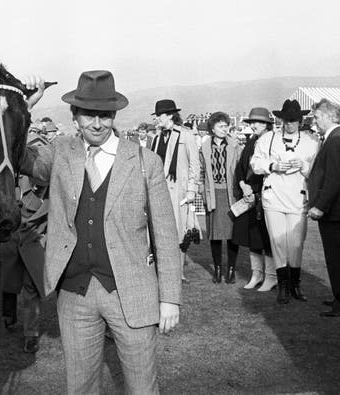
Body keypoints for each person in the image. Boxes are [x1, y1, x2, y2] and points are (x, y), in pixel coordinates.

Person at [22, 70, 181, 394]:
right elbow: (21, 160)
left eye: (105, 115)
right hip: (74, 295)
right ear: (75, 115)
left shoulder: (144, 162)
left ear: (114, 115)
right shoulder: (60, 153)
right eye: (88, 114)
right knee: (80, 388)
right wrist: (23, 109)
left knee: (142, 389)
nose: (96, 123)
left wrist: (170, 299)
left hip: (131, 294)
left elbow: (165, 236)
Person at [251, 99, 318, 304]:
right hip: (274, 198)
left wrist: (304, 166)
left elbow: (317, 172)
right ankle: (283, 286)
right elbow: (255, 163)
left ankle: (295, 284)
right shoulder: (268, 139)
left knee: (296, 244)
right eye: (286, 120)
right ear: (280, 120)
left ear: (300, 120)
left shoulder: (311, 142)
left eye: (294, 121)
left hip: (298, 199)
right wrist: (273, 165)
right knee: (278, 242)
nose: (289, 125)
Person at [0, 131, 50, 354]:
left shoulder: (55, 187)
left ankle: (30, 334)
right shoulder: (13, 179)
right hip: (11, 240)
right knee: (7, 282)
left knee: (30, 289)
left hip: (34, 242)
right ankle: (7, 318)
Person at [150, 99, 200, 281]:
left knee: (180, 232)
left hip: (179, 192)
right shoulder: (156, 139)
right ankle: (162, 272)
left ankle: (179, 273)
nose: (157, 119)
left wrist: (191, 191)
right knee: (160, 233)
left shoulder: (185, 136)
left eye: (159, 116)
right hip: (158, 191)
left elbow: (195, 165)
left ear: (170, 115)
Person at [231, 108, 275, 291]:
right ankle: (256, 274)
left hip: (265, 195)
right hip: (249, 195)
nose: (254, 125)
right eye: (252, 122)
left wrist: (254, 189)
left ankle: (271, 276)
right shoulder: (251, 142)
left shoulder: (273, 141)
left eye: (258, 122)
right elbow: (241, 167)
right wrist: (242, 184)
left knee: (267, 238)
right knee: (252, 237)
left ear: (267, 124)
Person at [200, 112, 242, 283]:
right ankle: (217, 269)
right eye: (221, 126)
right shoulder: (204, 147)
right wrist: (202, 191)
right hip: (212, 194)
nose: (225, 129)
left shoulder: (235, 145)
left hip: (230, 194)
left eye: (226, 126)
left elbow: (240, 169)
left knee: (233, 234)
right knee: (215, 234)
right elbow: (202, 171)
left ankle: (231, 269)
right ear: (212, 128)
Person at [308, 98, 340, 317]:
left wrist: (320, 206)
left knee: (336, 257)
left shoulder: (335, 140)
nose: (315, 121)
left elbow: (334, 178)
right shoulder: (332, 139)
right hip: (333, 212)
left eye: (317, 117)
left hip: (334, 213)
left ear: (329, 116)